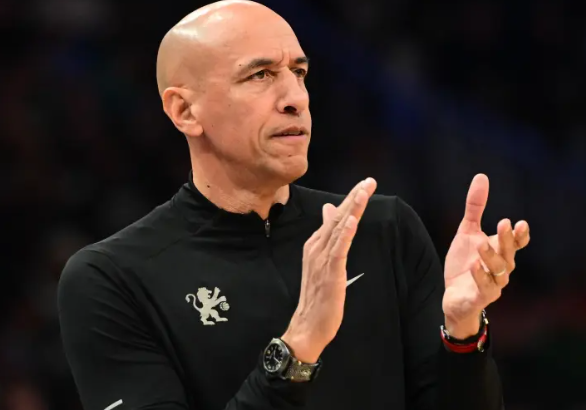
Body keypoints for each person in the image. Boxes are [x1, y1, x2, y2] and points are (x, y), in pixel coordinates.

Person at [57, 1, 531, 410]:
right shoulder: (111, 279)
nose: (295, 98)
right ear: (185, 111)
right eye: (260, 75)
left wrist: (463, 330)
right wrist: (299, 345)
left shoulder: (385, 229)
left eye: (299, 73)